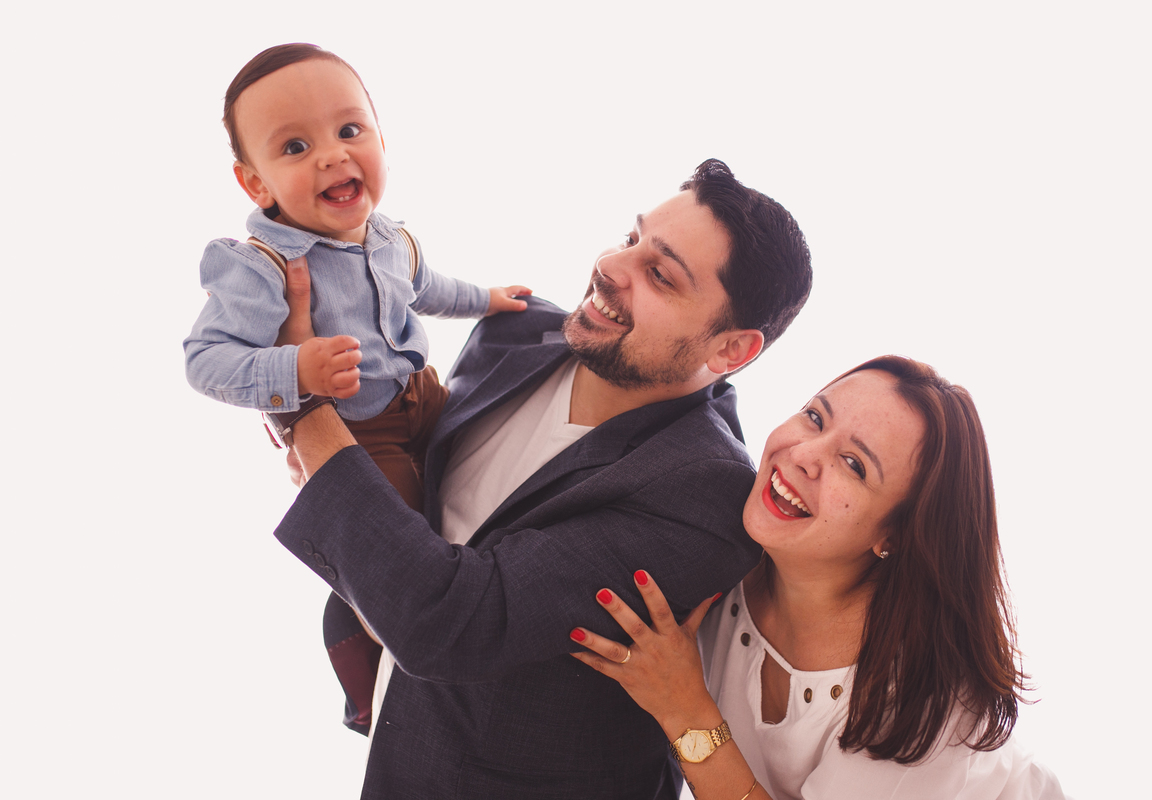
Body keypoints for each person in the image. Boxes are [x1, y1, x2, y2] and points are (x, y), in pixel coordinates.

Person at [272, 159, 813, 798]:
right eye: (632, 238)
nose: (614, 267)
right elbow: (415, 502)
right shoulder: (514, 332)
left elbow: (453, 620)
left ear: (731, 350)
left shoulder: (704, 496)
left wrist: (300, 399)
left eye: (659, 275)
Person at [571, 356, 1069, 800]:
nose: (804, 455)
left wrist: (684, 708)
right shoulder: (726, 547)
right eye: (815, 417)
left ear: (894, 535)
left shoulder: (921, 697)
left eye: (853, 465)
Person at [183, 43, 529, 511]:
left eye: (349, 130)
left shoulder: (390, 239)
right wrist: (297, 369)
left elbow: (427, 288)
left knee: (493, 478)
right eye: (295, 147)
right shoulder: (262, 266)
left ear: (382, 141)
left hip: (423, 395)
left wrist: (486, 298)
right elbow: (205, 361)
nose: (332, 155)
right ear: (257, 184)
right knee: (399, 532)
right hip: (357, 434)